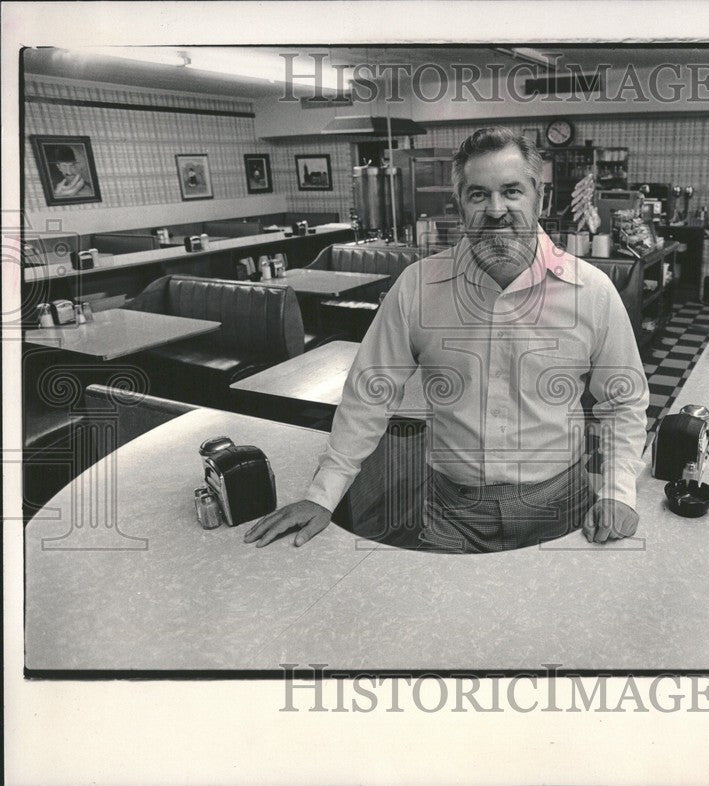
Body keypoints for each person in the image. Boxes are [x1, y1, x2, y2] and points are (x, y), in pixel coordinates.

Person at [245, 127, 649, 552]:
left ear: (540, 199)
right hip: (451, 510)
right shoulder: (418, 287)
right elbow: (369, 393)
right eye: (478, 195)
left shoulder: (592, 291)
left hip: (560, 503)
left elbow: (623, 400)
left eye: (512, 191)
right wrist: (322, 494)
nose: (496, 209)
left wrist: (618, 491)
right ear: (459, 205)